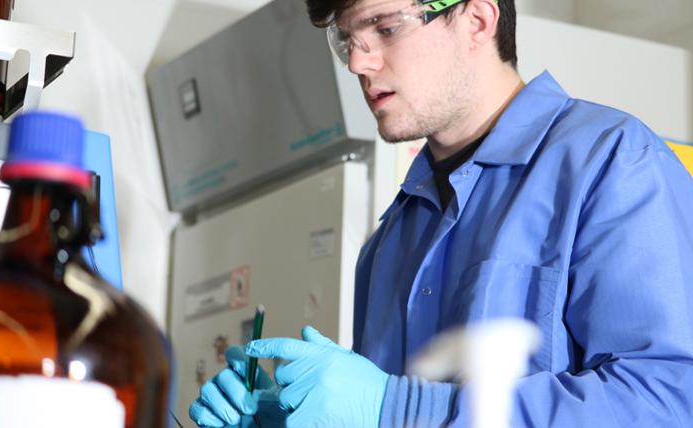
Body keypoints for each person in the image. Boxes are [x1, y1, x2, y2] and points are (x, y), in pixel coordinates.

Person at [189, 0, 693, 426]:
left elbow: (668, 401)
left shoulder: (611, 161)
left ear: (476, 20)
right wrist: (292, 414)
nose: (358, 63)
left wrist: (396, 405)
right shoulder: (389, 239)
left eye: (385, 28)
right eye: (347, 41)